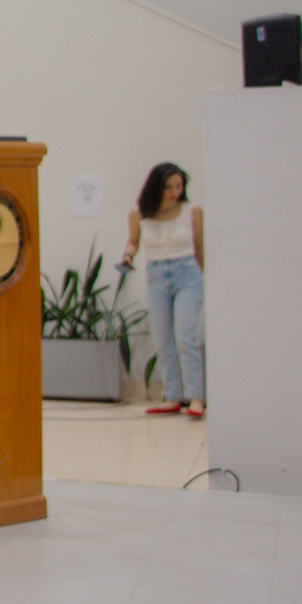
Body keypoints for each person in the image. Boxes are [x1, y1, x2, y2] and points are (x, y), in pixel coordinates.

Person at [120, 163, 204, 418]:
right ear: (157, 187)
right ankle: (172, 396)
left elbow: (200, 248)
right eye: (168, 187)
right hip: (156, 274)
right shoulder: (140, 213)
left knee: (185, 336)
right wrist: (127, 256)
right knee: (162, 337)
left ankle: (196, 398)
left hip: (187, 274)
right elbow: (133, 241)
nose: (174, 192)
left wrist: (204, 276)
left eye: (178, 186)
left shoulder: (192, 211)